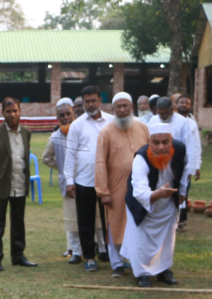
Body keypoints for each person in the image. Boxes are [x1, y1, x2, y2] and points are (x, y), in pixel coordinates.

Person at [121, 123, 189, 287]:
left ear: (171, 141)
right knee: (140, 240)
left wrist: (182, 191)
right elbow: (139, 191)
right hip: (143, 203)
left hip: (167, 203)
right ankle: (142, 273)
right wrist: (157, 194)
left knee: (166, 239)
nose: (160, 147)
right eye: (155, 142)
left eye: (165, 142)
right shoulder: (141, 158)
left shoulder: (180, 150)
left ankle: (163, 270)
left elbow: (185, 171)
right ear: (148, 141)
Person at [94, 92, 149, 277]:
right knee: (116, 223)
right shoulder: (106, 132)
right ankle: (117, 263)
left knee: (137, 223)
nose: (123, 109)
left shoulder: (143, 128)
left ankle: (136, 260)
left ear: (132, 108)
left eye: (126, 106)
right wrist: (103, 191)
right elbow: (100, 162)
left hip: (141, 186)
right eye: (119, 106)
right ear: (113, 109)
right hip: (116, 186)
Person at [63, 85, 115, 271]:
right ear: (82, 103)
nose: (90, 104)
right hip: (84, 180)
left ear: (100, 100)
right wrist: (69, 181)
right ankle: (90, 257)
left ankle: (113, 255)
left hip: (108, 181)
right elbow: (70, 154)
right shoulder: (77, 124)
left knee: (111, 220)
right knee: (85, 221)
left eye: (93, 100)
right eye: (87, 101)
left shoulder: (111, 121)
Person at [0, 97, 35, 270]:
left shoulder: (26, 132)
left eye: (15, 111)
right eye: (8, 111)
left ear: (20, 111)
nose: (12, 114)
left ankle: (18, 256)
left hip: (20, 183)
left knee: (18, 222)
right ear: (2, 112)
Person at [150, 97, 201, 232]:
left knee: (175, 197)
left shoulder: (182, 122)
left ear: (172, 110)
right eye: (160, 113)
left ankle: (173, 225)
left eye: (165, 114)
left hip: (176, 167)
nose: (162, 116)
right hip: (156, 166)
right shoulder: (153, 120)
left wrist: (192, 167)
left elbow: (190, 148)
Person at [42, 97, 82, 264]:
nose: (66, 118)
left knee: (89, 217)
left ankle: (97, 248)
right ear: (57, 118)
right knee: (71, 218)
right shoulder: (55, 137)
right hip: (67, 184)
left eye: (68, 114)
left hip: (85, 181)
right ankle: (76, 251)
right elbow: (46, 159)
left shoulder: (82, 131)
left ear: (74, 113)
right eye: (62, 115)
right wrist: (64, 170)